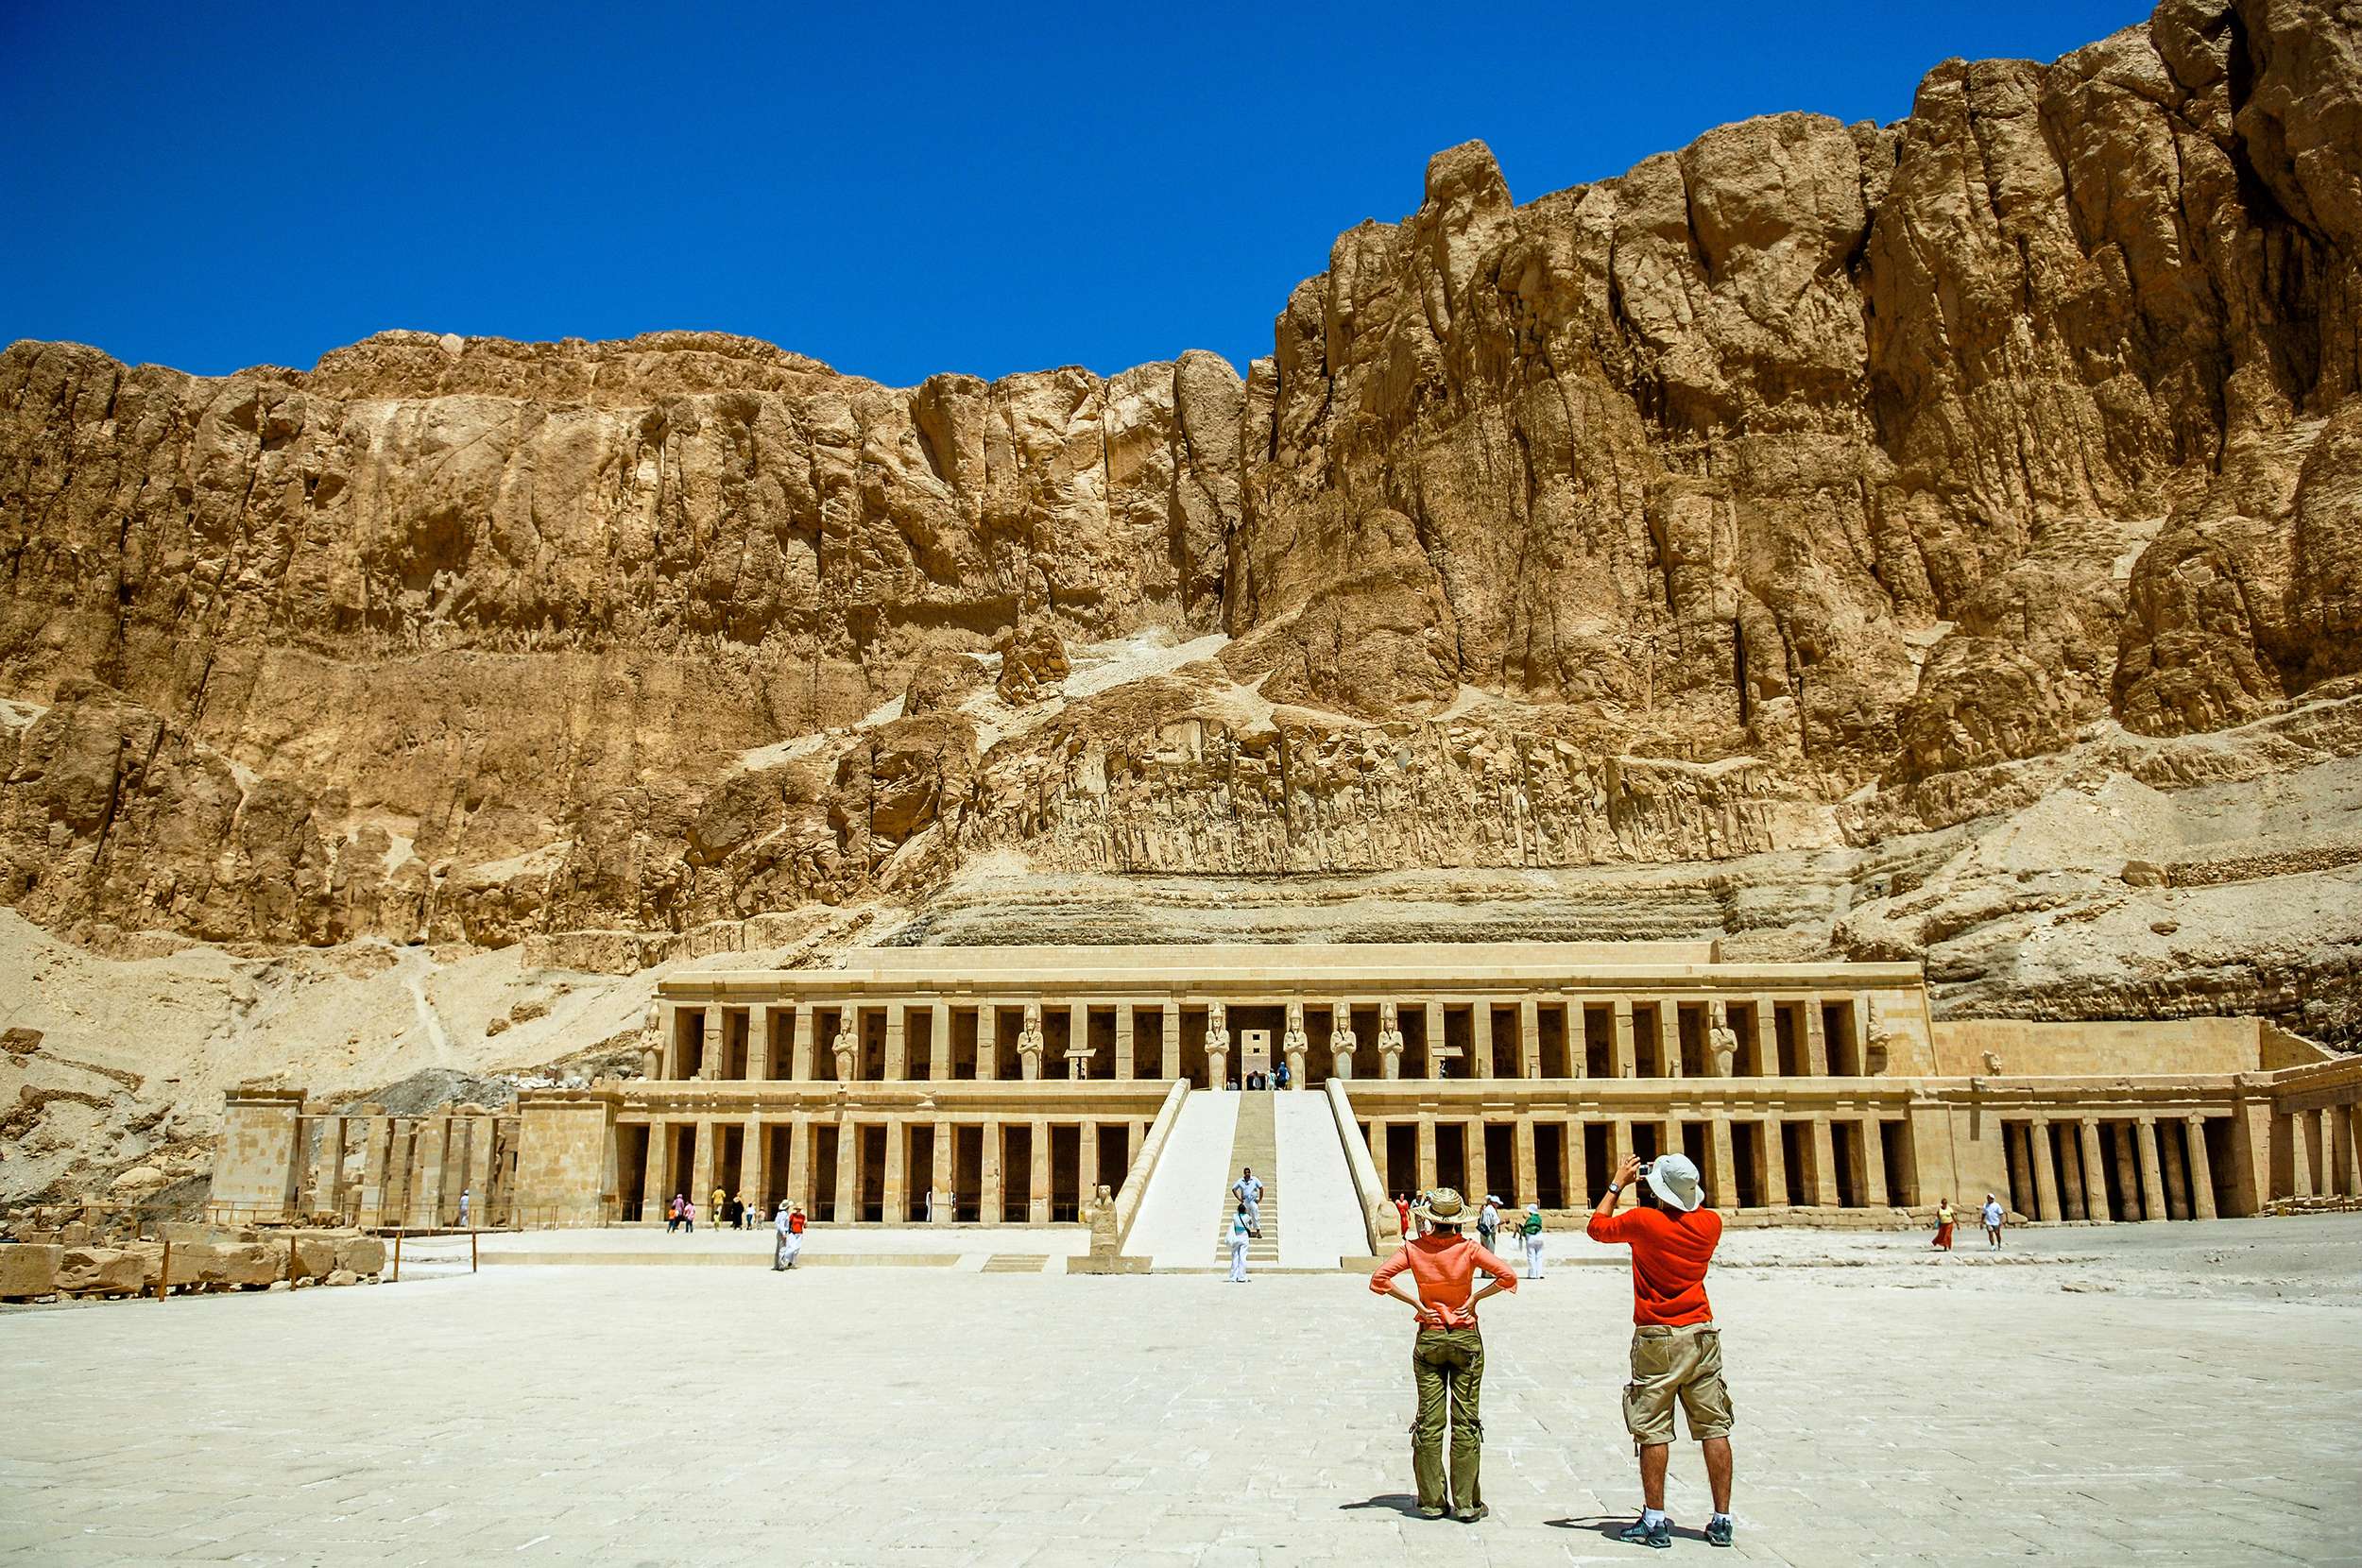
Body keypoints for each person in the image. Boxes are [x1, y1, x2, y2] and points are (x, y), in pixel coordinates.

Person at [1587, 1152, 1735, 1550]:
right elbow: (1692, 1207)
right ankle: (1722, 1520)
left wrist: (1619, 1182)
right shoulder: (1712, 1223)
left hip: (1659, 1337)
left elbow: (1597, 1226)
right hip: (1703, 1333)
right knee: (1714, 1428)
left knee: (1653, 1429)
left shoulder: (1644, 1222)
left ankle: (1654, 1521)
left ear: (1658, 1191)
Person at [1368, 1187, 1519, 1522]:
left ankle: (1432, 1501)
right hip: (1466, 1337)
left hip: (1430, 1337)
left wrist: (1417, 1304)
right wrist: (1476, 1299)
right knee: (1466, 1422)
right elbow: (1507, 1276)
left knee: (1429, 1421)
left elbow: (1379, 1280)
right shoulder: (1469, 1249)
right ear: (1458, 1222)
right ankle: (1466, 1504)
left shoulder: (1413, 1249)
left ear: (1429, 1220)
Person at [1233, 1167, 1264, 1234]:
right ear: (1244, 1173)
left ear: (1250, 1173)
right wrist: (1239, 1198)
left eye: (1248, 1172)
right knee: (1244, 1216)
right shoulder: (1240, 1181)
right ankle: (1246, 1231)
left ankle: (1258, 1231)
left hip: (1253, 1201)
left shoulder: (1255, 1179)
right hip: (1245, 1201)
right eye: (1246, 1172)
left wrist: (1260, 1199)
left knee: (1255, 1215)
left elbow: (1261, 1188)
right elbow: (1234, 1189)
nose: (1247, 1174)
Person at [1227, 1202, 1253, 1282]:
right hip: (1244, 1237)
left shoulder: (1235, 1216)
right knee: (1243, 1257)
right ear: (1244, 1210)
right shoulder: (1247, 1216)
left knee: (1235, 1257)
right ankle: (1242, 1276)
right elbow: (1250, 1224)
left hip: (1236, 1237)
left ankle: (1233, 1277)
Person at [1518, 1202, 1545, 1279]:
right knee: (1539, 1256)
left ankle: (1532, 1275)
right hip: (1540, 1238)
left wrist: (1521, 1230)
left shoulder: (1530, 1219)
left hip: (1531, 1239)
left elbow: (1527, 1229)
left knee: (1531, 1256)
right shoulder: (1539, 1218)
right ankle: (1539, 1273)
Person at [773, 1200, 795, 1270]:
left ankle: (776, 1265)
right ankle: (781, 1265)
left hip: (778, 1232)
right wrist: (784, 1233)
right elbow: (782, 1224)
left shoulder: (779, 1213)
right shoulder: (784, 1214)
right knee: (782, 1249)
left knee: (778, 1249)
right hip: (783, 1232)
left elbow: (776, 1223)